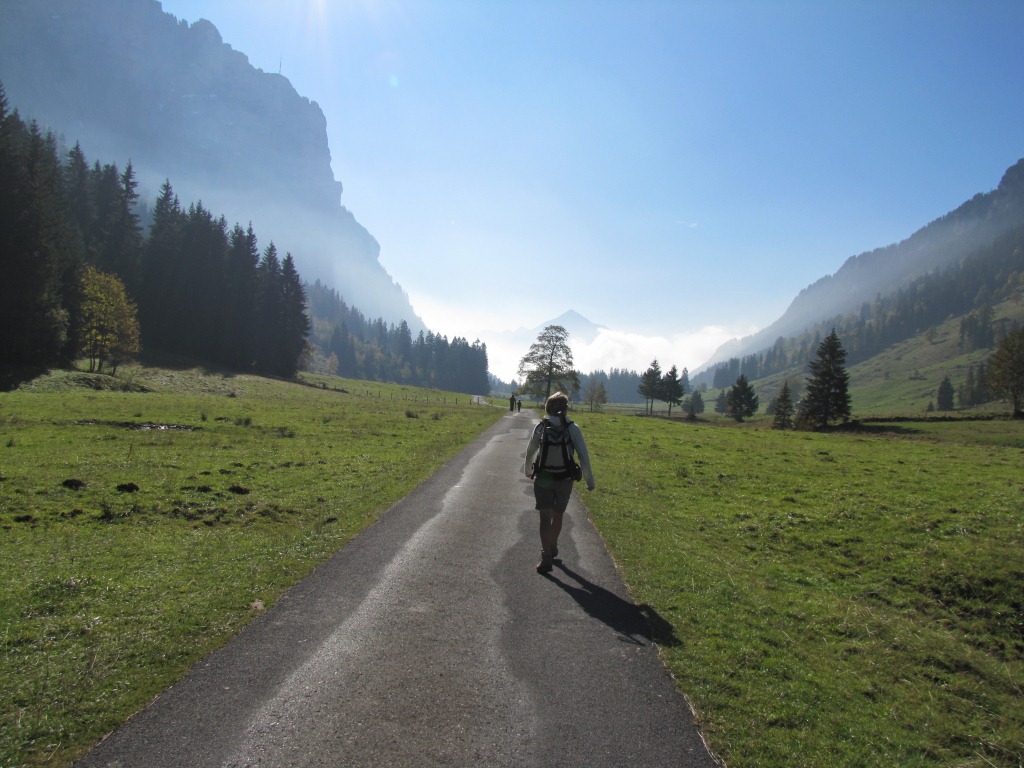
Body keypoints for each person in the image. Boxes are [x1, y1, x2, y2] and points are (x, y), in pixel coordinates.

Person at [523, 391, 595, 574]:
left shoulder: (541, 426)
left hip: (544, 477)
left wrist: (528, 470)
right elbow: (583, 456)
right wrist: (589, 481)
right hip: (564, 479)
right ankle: (553, 544)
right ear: (566, 408)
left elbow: (531, 450)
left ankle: (546, 553)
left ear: (547, 407)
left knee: (544, 517)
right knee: (558, 515)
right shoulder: (572, 428)